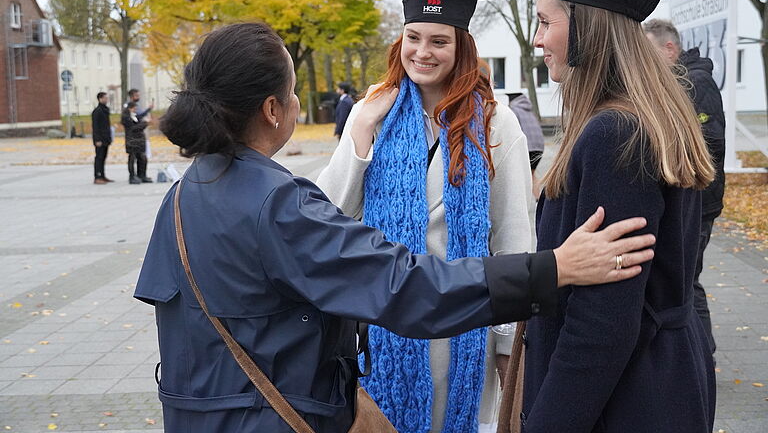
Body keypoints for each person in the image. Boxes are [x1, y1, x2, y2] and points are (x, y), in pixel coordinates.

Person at [133, 22, 656, 433]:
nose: (297, 103)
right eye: (293, 92)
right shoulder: (277, 204)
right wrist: (555, 268)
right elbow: (409, 286)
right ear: (272, 110)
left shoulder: (181, 198)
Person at [316, 0, 537, 433]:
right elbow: (329, 217)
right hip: (382, 332)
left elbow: (516, 245)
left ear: (462, 49)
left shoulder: (496, 126)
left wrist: (506, 353)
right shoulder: (373, 112)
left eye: (439, 41)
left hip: (463, 336)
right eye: (413, 38)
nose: (422, 51)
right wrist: (361, 132)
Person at [517, 0, 717, 433]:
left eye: (545, 22)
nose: (538, 39)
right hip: (659, 383)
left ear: (587, 25)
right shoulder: (644, 118)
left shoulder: (617, 134)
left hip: (623, 400)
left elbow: (603, 323)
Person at [644, 18, 725, 355]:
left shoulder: (696, 83)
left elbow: (711, 141)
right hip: (695, 200)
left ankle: (702, 356)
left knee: (688, 282)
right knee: (686, 280)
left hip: (700, 202)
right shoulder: (683, 82)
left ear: (669, 49)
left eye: (650, 53)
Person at [506, 92, 545, 198]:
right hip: (539, 146)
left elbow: (513, 130)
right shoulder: (529, 110)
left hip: (528, 147)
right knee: (531, 174)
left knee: (521, 176)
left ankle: (522, 201)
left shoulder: (514, 109)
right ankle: (538, 199)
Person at [121, 101, 152, 184]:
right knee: (132, 158)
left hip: (139, 141)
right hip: (132, 141)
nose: (136, 110)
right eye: (134, 108)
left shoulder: (133, 116)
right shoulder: (126, 117)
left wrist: (149, 109)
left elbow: (141, 115)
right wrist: (145, 124)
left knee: (142, 157)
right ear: (130, 108)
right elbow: (133, 128)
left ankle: (142, 175)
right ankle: (132, 177)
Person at [91, 91, 113, 184]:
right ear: (100, 99)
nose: (107, 100)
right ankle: (98, 176)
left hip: (105, 138)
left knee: (103, 157)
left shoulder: (105, 110)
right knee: (99, 158)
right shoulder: (97, 111)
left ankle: (103, 176)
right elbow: (95, 127)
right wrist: (97, 140)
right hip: (100, 139)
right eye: (105, 98)